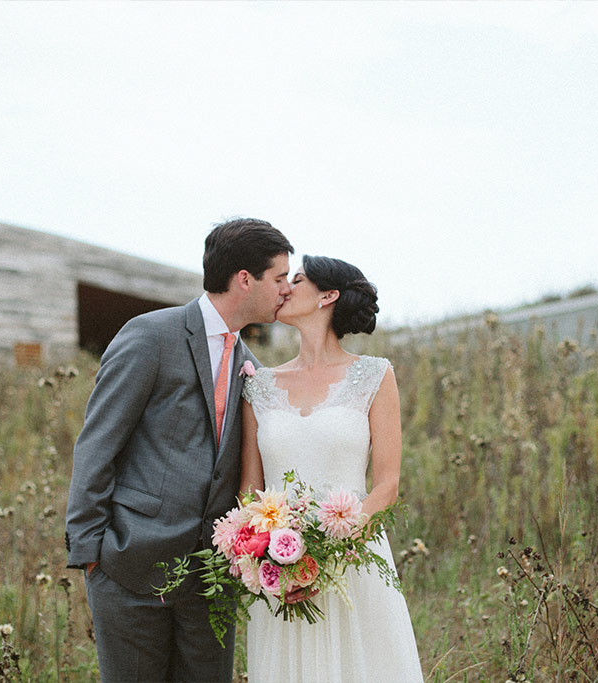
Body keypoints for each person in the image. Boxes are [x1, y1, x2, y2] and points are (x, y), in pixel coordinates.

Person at [65, 218, 293, 682]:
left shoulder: (253, 367)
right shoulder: (150, 336)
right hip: (129, 567)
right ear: (244, 279)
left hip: (211, 581)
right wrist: (91, 553)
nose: (286, 290)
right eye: (280, 278)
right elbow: (98, 443)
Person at [239, 255, 423, 682]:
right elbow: (250, 490)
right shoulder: (259, 386)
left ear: (328, 295)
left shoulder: (375, 376)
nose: (284, 288)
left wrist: (327, 556)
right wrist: (274, 557)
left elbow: (387, 486)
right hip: (279, 572)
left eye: (297, 280)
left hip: (354, 562)